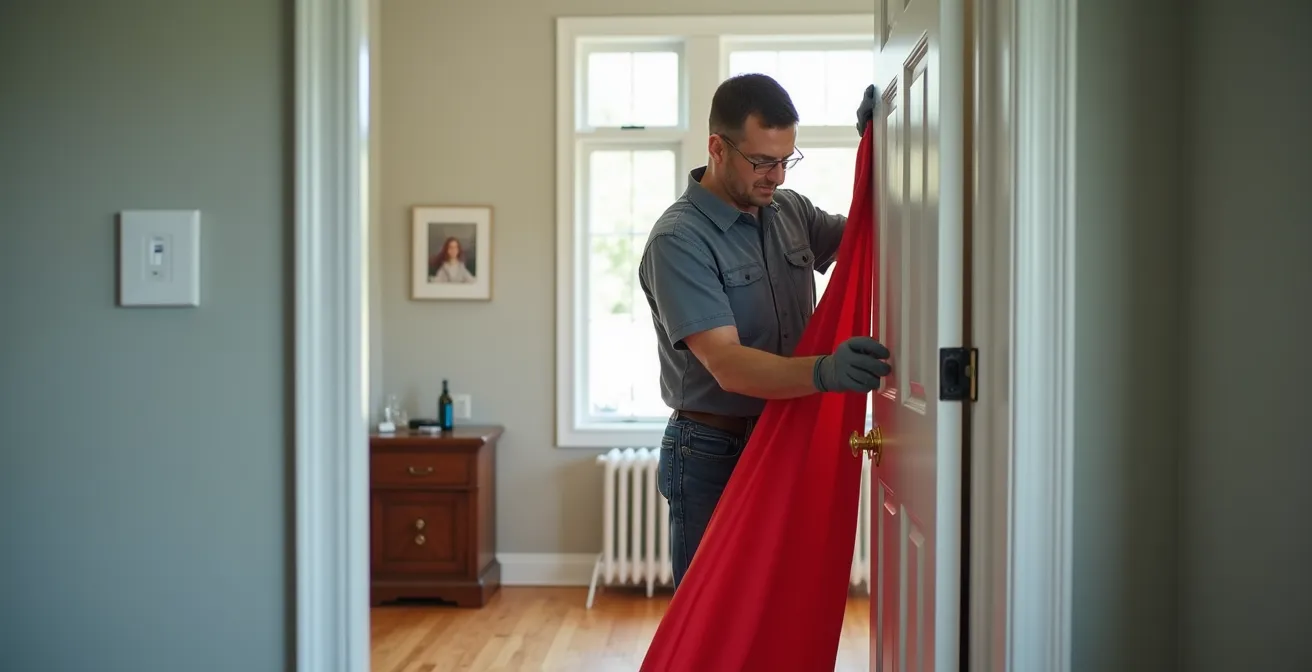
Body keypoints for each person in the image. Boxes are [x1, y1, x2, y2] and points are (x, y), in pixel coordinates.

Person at [637, 75, 887, 588]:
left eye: (785, 159)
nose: (776, 176)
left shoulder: (787, 211)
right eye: (762, 162)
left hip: (789, 440)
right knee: (715, 614)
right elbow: (726, 364)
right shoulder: (679, 240)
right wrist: (825, 371)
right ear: (717, 148)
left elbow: (873, 232)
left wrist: (883, 151)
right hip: (712, 451)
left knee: (780, 602)